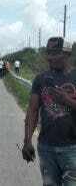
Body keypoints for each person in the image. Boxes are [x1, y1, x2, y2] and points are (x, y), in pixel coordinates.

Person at [22, 37, 76, 185]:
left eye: (55, 53)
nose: (50, 57)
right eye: (48, 53)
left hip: (72, 148)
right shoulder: (40, 79)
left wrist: (65, 99)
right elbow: (32, 111)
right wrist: (27, 140)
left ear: (68, 54)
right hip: (46, 147)